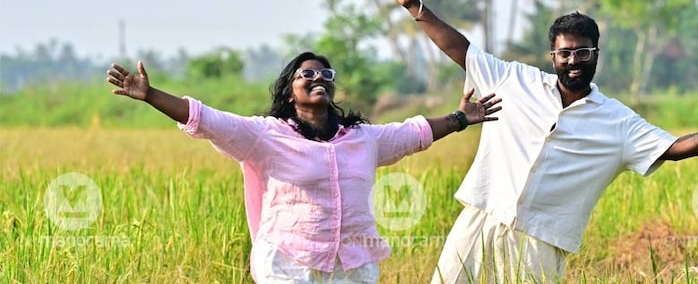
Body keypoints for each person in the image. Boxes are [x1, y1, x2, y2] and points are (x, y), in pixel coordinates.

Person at [380, 0, 698, 284]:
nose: (573, 61)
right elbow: (461, 50)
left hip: (540, 242)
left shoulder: (617, 121)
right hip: (481, 220)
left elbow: (674, 147)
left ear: (595, 55)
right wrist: (416, 8)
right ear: (553, 56)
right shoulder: (515, 80)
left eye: (582, 53)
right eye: (565, 53)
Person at [105, 51, 502, 284]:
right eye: (307, 74)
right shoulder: (266, 136)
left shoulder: (362, 139)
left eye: (325, 74)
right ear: (290, 90)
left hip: (352, 265)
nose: (318, 78)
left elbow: (414, 133)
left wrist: (460, 118)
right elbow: (206, 119)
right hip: (289, 264)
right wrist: (151, 95)